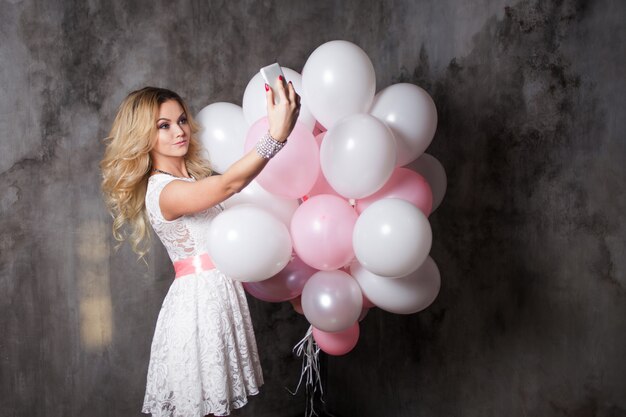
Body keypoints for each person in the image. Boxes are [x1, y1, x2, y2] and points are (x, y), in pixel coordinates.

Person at [100, 78, 301, 417]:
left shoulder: (190, 180)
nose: (179, 131)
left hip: (219, 301)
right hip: (198, 310)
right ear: (143, 137)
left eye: (181, 120)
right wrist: (276, 136)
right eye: (163, 126)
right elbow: (230, 184)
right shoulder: (164, 191)